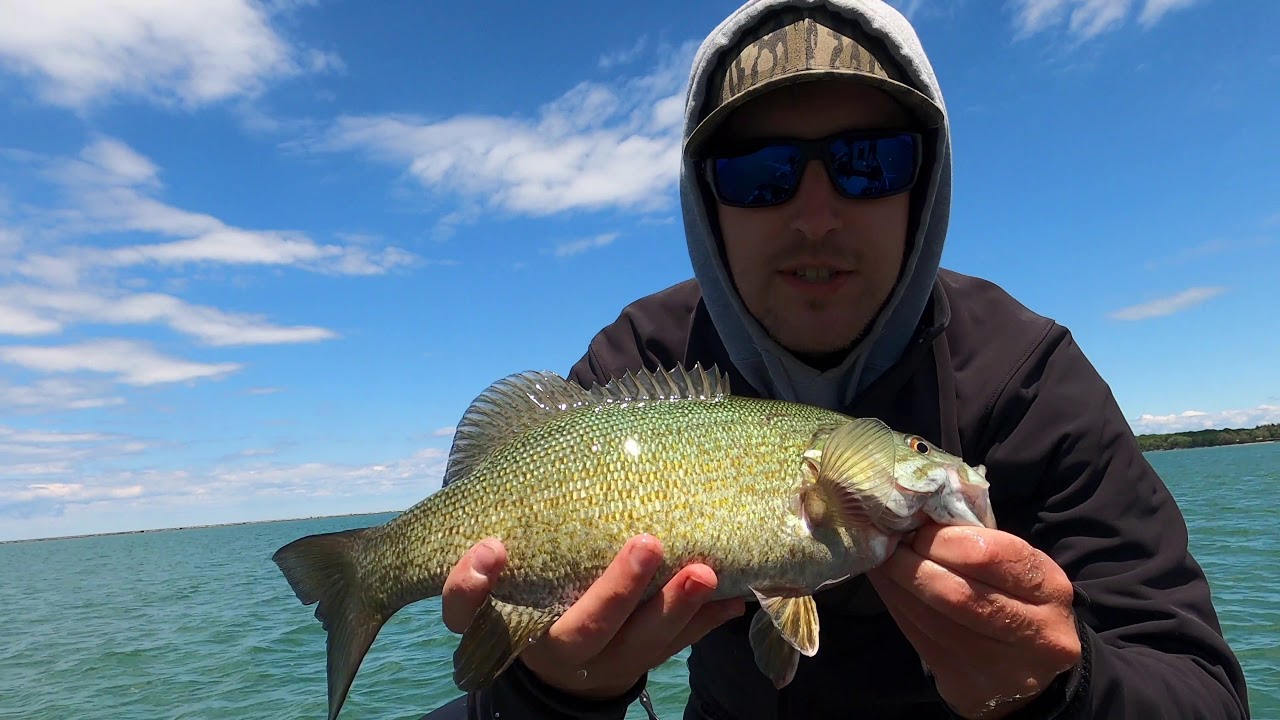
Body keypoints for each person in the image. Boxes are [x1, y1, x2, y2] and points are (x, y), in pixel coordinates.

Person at [428, 1, 1251, 718]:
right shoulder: (639, 360)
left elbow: (1205, 689)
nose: (816, 216)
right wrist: (556, 694)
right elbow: (496, 680)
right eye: (760, 173)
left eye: (870, 162)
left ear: (923, 185)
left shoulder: (1030, 380)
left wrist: (1061, 693)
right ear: (704, 202)